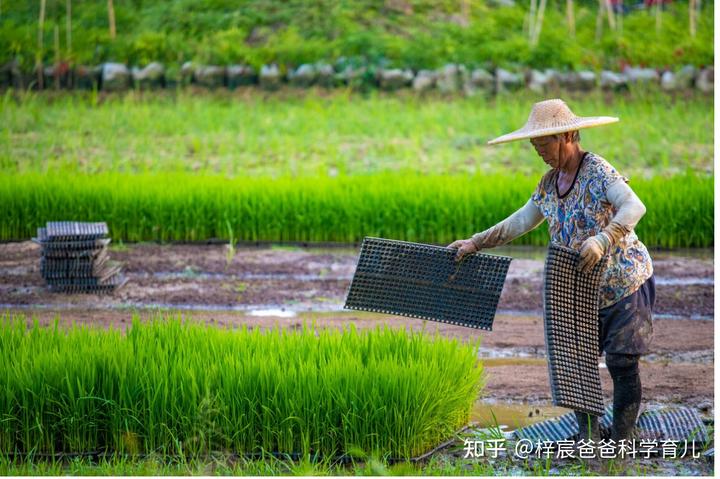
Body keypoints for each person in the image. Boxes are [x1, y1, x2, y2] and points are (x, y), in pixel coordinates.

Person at [448, 99, 655, 452]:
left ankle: (623, 436)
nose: (540, 151)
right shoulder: (548, 184)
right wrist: (476, 242)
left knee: (622, 361)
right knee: (576, 362)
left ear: (568, 135)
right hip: (579, 289)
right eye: (535, 145)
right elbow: (521, 221)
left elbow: (634, 206)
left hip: (623, 283)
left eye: (544, 144)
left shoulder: (598, 172)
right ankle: (588, 436)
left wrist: (604, 239)